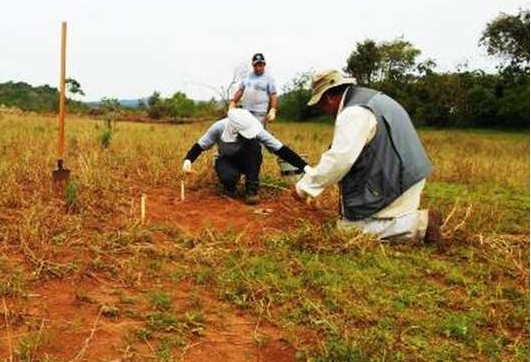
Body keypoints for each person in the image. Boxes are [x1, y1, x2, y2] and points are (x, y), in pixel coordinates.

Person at [292, 69, 442, 243]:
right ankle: (407, 219)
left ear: (328, 98)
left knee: (347, 229)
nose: (324, 110)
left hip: (395, 183)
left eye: (321, 104)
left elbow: (340, 160)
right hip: (410, 178)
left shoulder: (354, 112)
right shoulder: (375, 98)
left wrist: (303, 188)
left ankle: (417, 225)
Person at [182, 108, 307, 205]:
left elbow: (281, 149)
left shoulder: (255, 128)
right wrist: (188, 160)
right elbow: (200, 145)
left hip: (248, 160)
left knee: (254, 145)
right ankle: (230, 185)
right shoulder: (219, 127)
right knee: (229, 179)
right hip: (226, 160)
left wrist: (305, 167)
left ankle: (251, 189)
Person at [229, 53, 278, 126]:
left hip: (260, 113)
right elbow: (240, 91)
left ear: (264, 65)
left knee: (258, 134)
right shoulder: (247, 77)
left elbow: (273, 95)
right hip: (246, 112)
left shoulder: (269, 79)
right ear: (253, 65)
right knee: (245, 133)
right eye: (256, 65)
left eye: (260, 65)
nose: (258, 68)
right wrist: (233, 103)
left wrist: (273, 110)